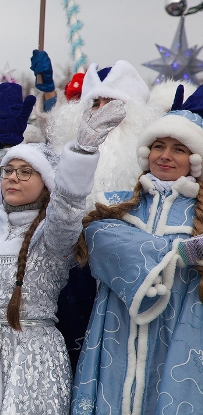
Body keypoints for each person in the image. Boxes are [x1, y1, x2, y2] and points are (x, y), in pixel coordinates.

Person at [0, 98, 126, 414]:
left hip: (33, 355)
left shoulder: (51, 232)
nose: (13, 177)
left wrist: (82, 153)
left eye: (26, 172)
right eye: (9, 171)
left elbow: (68, 206)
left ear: (46, 183)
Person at [71, 84, 203, 415]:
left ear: (195, 160)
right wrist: (177, 254)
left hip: (175, 341)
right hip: (116, 341)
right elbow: (98, 238)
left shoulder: (198, 217)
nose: (165, 156)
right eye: (159, 146)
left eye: (178, 149)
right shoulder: (115, 205)